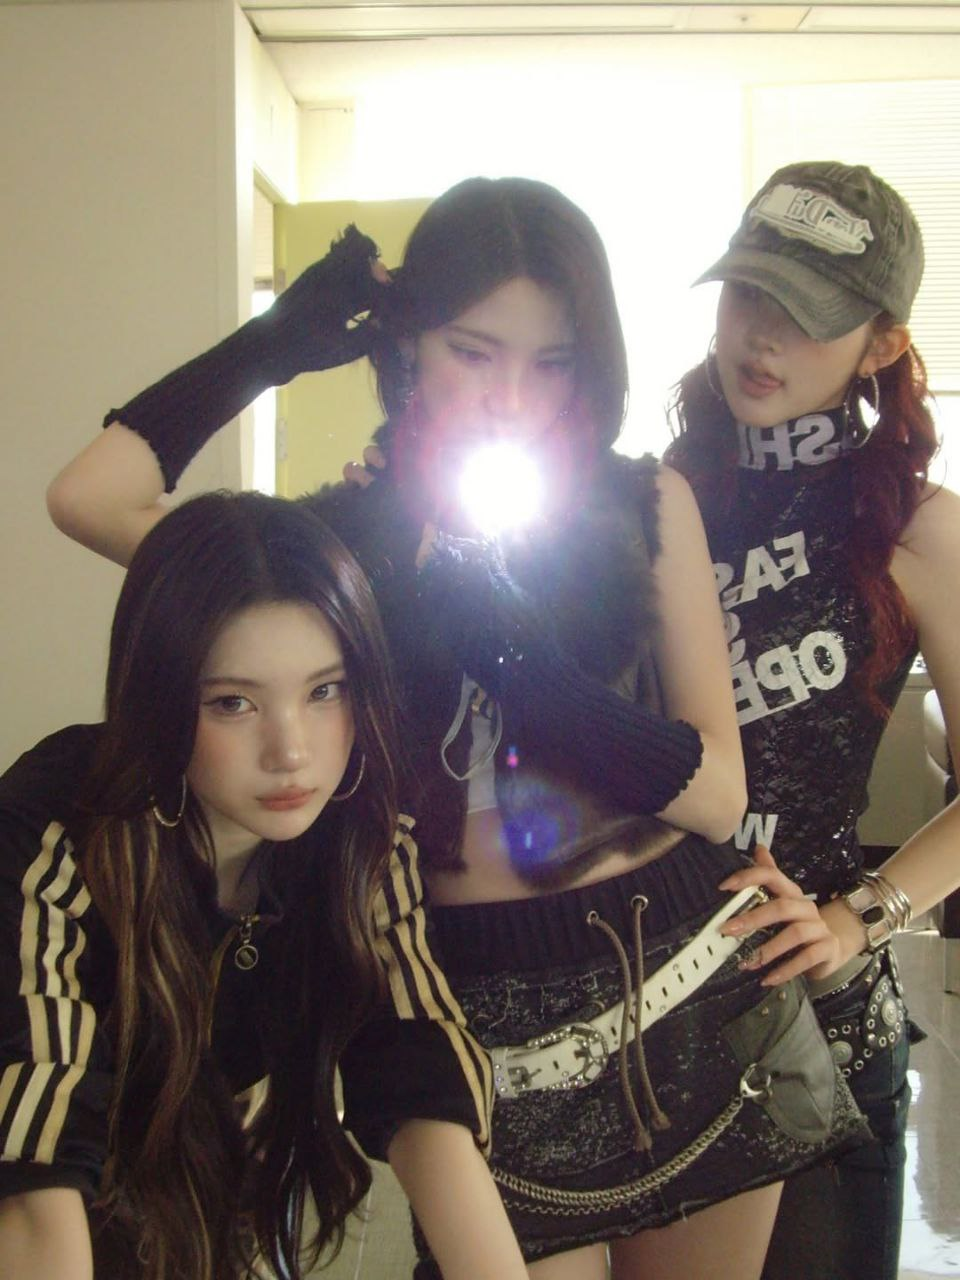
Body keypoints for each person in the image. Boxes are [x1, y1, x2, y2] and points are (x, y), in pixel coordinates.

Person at [47, 176, 869, 1279]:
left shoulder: (641, 499)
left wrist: (517, 659)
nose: (509, 399)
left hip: (684, 974)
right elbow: (91, 500)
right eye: (472, 352)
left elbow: (720, 793)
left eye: (552, 362)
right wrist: (275, 344)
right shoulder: (335, 547)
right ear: (407, 346)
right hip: (474, 1011)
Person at [0, 490, 511, 1280]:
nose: (292, 752)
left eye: (325, 690)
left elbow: (419, 1079)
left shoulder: (364, 836)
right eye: (233, 703)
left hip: (201, 1212)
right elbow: (35, 1163)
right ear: (159, 698)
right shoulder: (60, 824)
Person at [665, 160, 960, 1280]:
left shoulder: (921, 529)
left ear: (882, 344)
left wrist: (860, 916)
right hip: (640, 1007)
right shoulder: (649, 500)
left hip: (821, 1025)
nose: (761, 335)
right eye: (748, 292)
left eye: (807, 314)